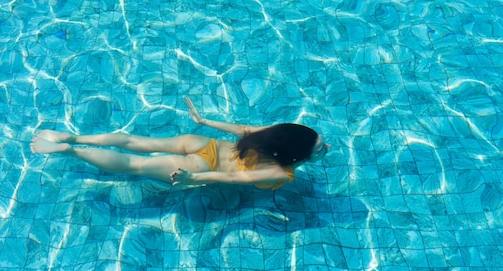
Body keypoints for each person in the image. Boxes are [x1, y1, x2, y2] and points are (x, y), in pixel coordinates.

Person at [30, 97, 329, 189]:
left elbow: (244, 128)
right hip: (202, 164)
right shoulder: (282, 172)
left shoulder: (280, 135)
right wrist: (194, 177)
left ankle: (69, 136)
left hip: (204, 143)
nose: (325, 149)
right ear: (298, 153)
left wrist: (204, 122)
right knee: (135, 166)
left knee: (137, 141)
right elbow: (234, 176)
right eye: (320, 147)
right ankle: (70, 150)